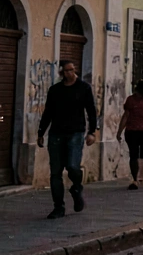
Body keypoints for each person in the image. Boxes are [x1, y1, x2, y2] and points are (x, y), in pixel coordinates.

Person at [37, 60, 98, 218]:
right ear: (62, 73)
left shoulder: (83, 88)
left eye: (72, 70)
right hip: (56, 134)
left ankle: (76, 188)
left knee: (72, 166)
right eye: (67, 71)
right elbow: (48, 113)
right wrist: (40, 133)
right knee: (55, 172)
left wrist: (92, 132)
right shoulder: (55, 90)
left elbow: (91, 111)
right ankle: (58, 207)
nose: (71, 73)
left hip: (75, 133)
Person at [117, 79, 143, 189]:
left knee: (133, 154)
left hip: (131, 130)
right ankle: (140, 176)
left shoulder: (130, 100)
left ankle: (135, 178)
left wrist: (119, 131)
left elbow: (125, 116)